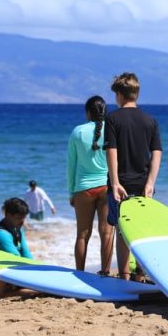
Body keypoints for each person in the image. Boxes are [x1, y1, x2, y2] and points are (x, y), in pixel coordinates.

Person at [104, 72, 162, 281]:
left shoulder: (112, 118)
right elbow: (156, 153)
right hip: (143, 182)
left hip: (122, 184)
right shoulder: (150, 120)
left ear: (119, 94)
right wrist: (150, 183)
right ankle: (141, 273)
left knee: (122, 230)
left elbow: (112, 151)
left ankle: (124, 275)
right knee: (141, 229)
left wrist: (115, 182)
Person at [67, 95, 113, 274]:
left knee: (82, 234)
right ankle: (106, 272)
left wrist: (71, 191)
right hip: (106, 186)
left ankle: (80, 273)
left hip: (84, 189)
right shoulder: (111, 129)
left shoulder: (77, 132)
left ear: (88, 113)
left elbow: (71, 164)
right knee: (106, 233)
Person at [0, 197, 38, 299]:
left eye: (24, 218)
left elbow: (26, 253)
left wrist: (37, 271)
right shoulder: (1, 233)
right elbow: (16, 258)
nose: (22, 221)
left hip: (11, 269)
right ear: (8, 215)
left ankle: (17, 290)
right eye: (19, 218)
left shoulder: (17, 228)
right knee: (35, 290)